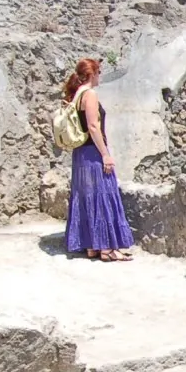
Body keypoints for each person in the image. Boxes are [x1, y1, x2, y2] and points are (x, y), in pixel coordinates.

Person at [63, 58, 135, 261]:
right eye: (99, 72)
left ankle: (92, 246)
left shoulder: (76, 95)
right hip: (93, 153)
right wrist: (105, 155)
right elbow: (93, 127)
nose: (100, 76)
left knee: (87, 197)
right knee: (103, 195)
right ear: (92, 74)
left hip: (80, 154)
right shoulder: (90, 94)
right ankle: (107, 249)